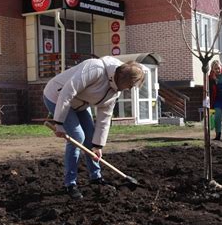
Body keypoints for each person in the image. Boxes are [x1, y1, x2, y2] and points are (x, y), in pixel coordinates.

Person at [43, 56, 145, 199]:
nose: (128, 89)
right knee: (77, 137)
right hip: (57, 96)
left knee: (90, 137)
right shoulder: (95, 68)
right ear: (122, 78)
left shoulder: (114, 91)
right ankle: (70, 184)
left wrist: (98, 146)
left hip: (80, 104)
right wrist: (58, 123)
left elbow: (105, 117)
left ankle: (95, 177)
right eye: (129, 85)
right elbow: (68, 91)